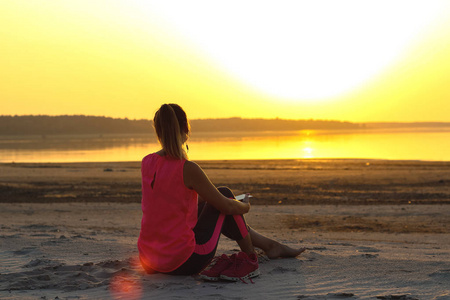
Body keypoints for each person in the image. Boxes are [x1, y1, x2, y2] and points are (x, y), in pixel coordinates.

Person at [137, 103, 305, 282]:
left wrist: (215, 201)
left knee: (212, 201)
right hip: (183, 262)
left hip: (150, 261)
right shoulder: (188, 168)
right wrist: (245, 206)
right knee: (224, 194)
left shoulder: (147, 162)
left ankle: (271, 246)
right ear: (186, 129)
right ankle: (250, 258)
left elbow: (171, 200)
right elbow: (226, 205)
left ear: (158, 131)